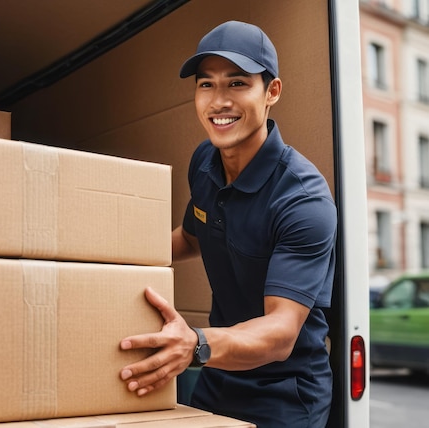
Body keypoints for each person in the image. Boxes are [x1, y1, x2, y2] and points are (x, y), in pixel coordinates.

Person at [119, 20, 337, 428]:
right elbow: (189, 237)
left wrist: (196, 344)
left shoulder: (303, 200)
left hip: (284, 391)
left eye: (237, 83)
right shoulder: (204, 161)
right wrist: (100, 259)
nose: (218, 101)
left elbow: (280, 331)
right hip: (219, 376)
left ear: (271, 92)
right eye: (207, 85)